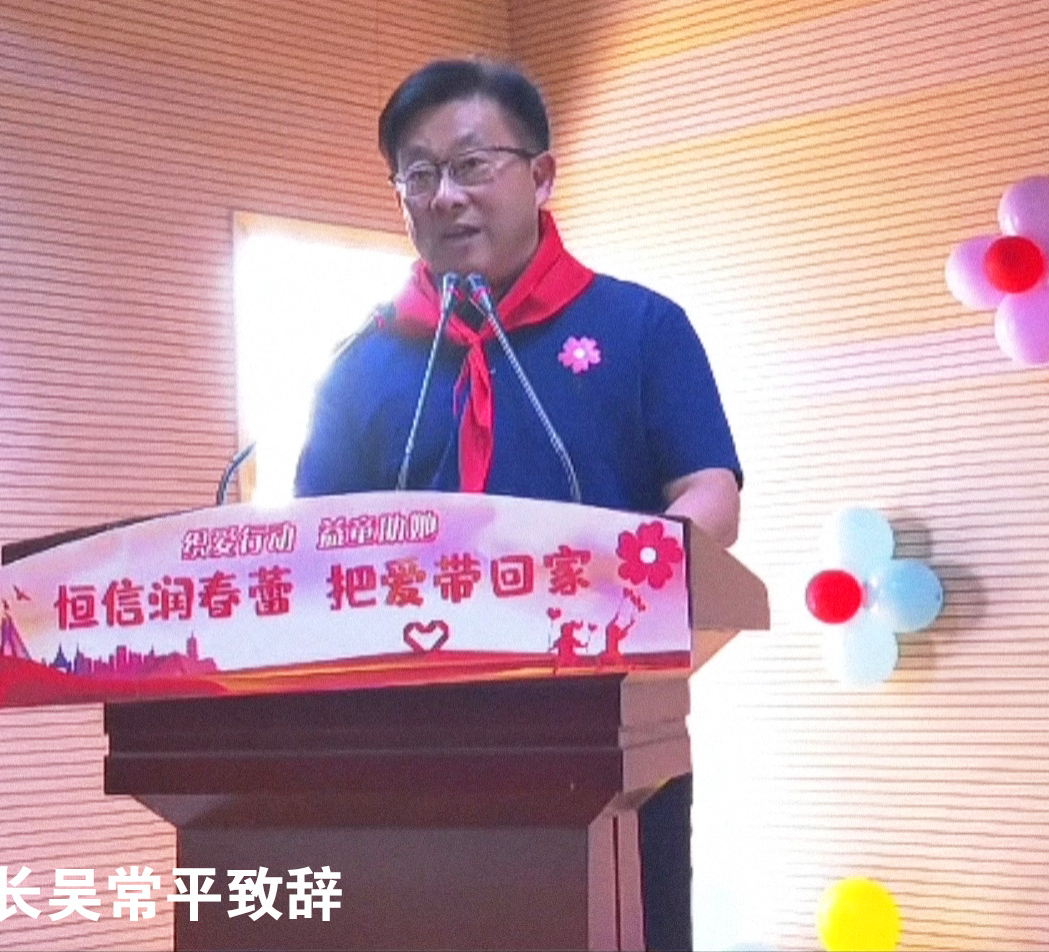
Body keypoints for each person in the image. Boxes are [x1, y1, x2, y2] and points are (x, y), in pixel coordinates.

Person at [294, 58, 743, 952]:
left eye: (472, 165)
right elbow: (312, 547)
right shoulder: (363, 362)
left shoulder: (641, 327)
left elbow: (710, 494)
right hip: (403, 753)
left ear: (540, 176)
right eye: (419, 175)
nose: (446, 197)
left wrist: (615, 598)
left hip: (611, 745)